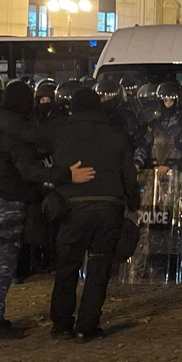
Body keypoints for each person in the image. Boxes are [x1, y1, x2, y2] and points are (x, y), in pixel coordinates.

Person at [0, 80, 94, 341]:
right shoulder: (14, 135)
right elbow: (30, 171)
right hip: (8, 203)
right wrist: (66, 175)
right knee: (2, 263)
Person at [49, 88, 140, 343]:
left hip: (73, 205)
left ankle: (61, 323)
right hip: (109, 205)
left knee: (68, 265)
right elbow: (128, 174)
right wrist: (133, 205)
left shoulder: (60, 133)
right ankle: (86, 326)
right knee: (99, 265)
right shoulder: (115, 134)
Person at [134, 81, 182, 175]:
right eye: (165, 100)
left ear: (178, 101)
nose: (168, 104)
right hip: (152, 176)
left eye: (171, 100)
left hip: (177, 178)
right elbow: (143, 147)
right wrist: (137, 162)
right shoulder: (153, 125)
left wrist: (171, 167)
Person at [93, 78, 141, 151]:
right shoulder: (93, 117)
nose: (106, 99)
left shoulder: (127, 116)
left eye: (109, 97)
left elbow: (134, 140)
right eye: (103, 97)